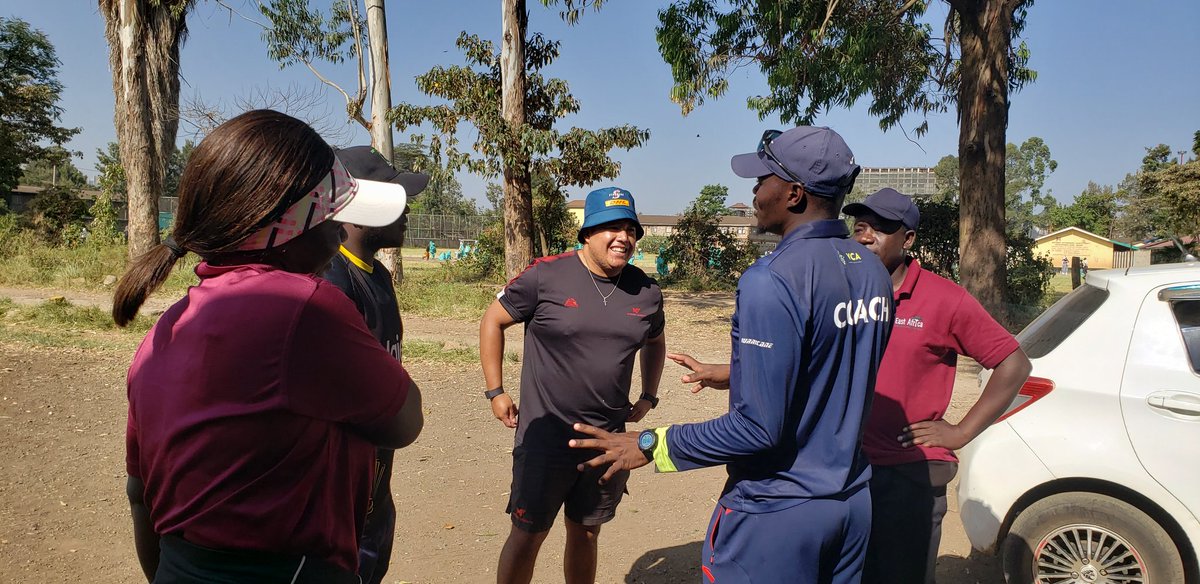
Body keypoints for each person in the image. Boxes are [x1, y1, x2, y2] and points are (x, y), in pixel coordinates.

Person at [571, 127, 892, 584]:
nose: (756, 190)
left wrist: (651, 445)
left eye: (763, 179)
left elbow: (757, 429)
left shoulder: (772, 279)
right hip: (851, 504)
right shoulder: (871, 272)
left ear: (794, 194)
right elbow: (834, 367)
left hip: (776, 512)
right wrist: (737, 372)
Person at [114, 110, 424, 583]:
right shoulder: (304, 307)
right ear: (287, 227)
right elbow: (405, 421)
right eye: (328, 215)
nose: (340, 230)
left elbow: (141, 494)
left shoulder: (165, 330)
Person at [842, 188, 1032, 584]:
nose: (865, 236)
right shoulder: (842, 290)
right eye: (860, 227)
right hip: (844, 466)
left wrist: (961, 431)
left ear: (907, 239)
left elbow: (1013, 365)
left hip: (908, 473)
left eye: (880, 229)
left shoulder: (943, 299)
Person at [479, 186, 667, 584]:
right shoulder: (546, 275)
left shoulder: (647, 292)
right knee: (528, 534)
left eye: (631, 229)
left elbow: (655, 340)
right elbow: (492, 320)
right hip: (546, 437)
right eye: (611, 228)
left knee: (585, 531)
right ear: (587, 233)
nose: (624, 238)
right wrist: (496, 391)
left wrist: (649, 395)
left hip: (607, 440)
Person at [321, 145, 429, 584]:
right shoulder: (331, 284)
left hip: (374, 489)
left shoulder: (376, 276)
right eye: (396, 199)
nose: (407, 212)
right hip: (338, 497)